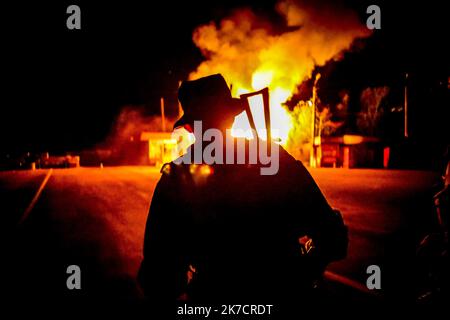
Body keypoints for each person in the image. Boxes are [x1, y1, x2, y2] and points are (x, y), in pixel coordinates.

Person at [138, 74, 347, 306]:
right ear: (232, 117)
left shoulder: (175, 179)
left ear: (189, 127)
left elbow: (158, 281)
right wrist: (302, 272)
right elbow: (333, 237)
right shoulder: (275, 160)